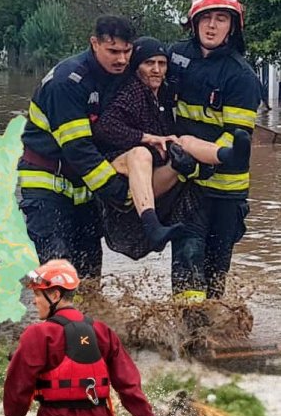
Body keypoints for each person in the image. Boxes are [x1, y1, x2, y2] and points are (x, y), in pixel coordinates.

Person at [93, 36, 251, 254]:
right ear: (136, 66)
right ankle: (152, 225)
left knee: (184, 141)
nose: (157, 70)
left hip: (153, 175)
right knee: (141, 154)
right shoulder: (131, 92)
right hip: (123, 172)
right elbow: (105, 127)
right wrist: (145, 137)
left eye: (162, 63)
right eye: (149, 63)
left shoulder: (165, 94)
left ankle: (228, 155)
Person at [3, 259, 166, 416]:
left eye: (37, 294)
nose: (34, 301)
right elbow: (129, 386)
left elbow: (17, 386)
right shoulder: (103, 332)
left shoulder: (39, 335)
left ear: (55, 295)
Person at [18, 15, 134, 283]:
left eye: (127, 51)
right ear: (94, 43)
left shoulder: (117, 76)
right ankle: (51, 321)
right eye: (113, 51)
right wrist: (118, 191)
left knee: (89, 276)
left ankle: (88, 323)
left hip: (83, 190)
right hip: (46, 185)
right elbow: (79, 149)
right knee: (59, 273)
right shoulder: (67, 82)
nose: (121, 59)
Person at [168, 0, 263, 303]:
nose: (212, 25)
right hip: (186, 184)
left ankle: (212, 329)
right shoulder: (174, 57)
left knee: (215, 273)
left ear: (233, 26)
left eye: (221, 18)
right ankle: (187, 341)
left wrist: (200, 160)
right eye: (206, 17)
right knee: (186, 260)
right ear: (193, 23)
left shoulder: (242, 76)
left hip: (227, 192)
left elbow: (237, 136)